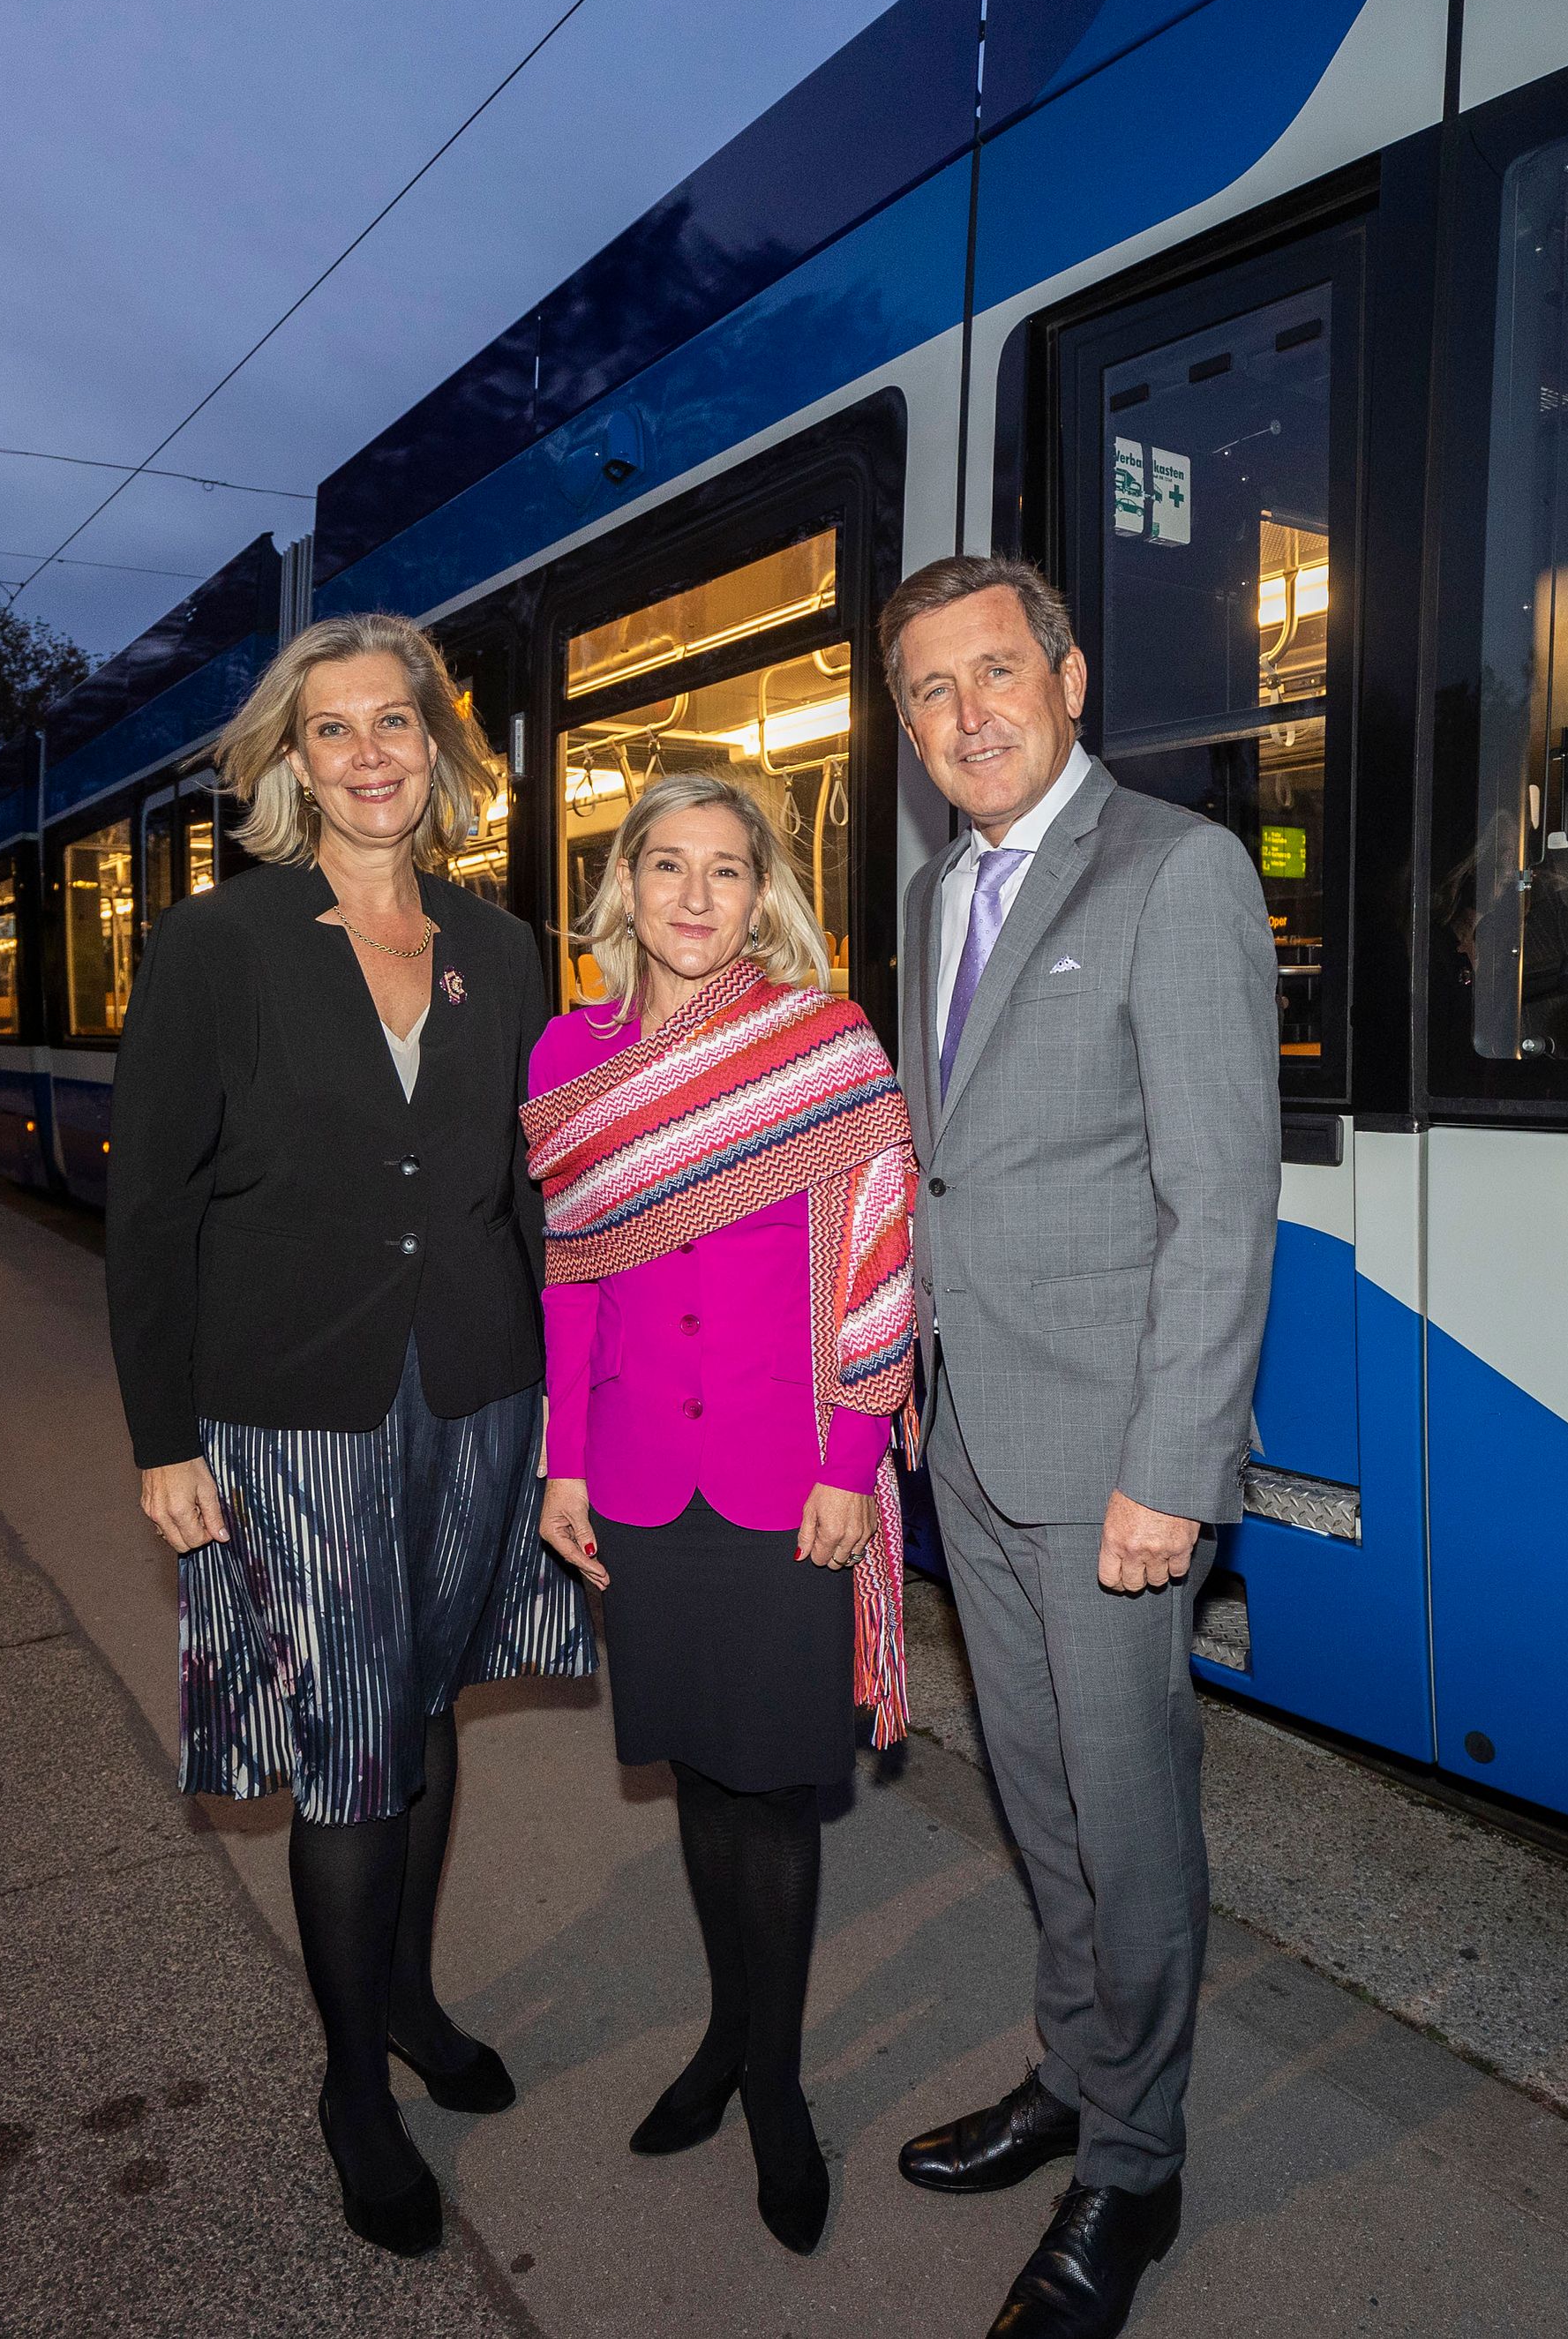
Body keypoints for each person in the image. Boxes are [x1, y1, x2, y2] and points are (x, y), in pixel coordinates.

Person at [104, 612, 594, 2260]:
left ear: (442, 752)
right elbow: (151, 1205)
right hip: (286, 1400)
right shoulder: (219, 942)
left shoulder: (502, 941)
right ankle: (351, 2091)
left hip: (473, 1386)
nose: (372, 753)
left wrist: (578, 1415)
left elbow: (532, 1190)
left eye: (400, 723)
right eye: (335, 731)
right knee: (351, 1734)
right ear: (288, 763)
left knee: (430, 1699)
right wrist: (162, 1434)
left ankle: (407, 1998)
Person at [882, 557, 1278, 2339]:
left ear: (1065, 674)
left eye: (991, 674)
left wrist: (1172, 1467)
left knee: (1126, 1820)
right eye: (924, 694)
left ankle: (1132, 2163)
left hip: (1114, 1451)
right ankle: (1073, 2067)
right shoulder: (925, 895)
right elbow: (949, 1168)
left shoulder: (1173, 873)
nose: (962, 716)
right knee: (1039, 1803)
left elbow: (1220, 1201)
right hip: (972, 1428)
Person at [521, 770, 917, 2259]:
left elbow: (882, 1256)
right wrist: (564, 1461)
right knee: (698, 1777)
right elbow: (569, 1275)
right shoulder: (571, 1053)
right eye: (666, 867)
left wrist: (849, 1460)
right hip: (635, 1478)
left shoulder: (822, 1043)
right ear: (622, 887)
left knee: (772, 1791)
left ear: (768, 895)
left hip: (782, 1478)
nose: (696, 897)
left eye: (728, 871)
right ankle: (727, 2039)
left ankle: (774, 2086)